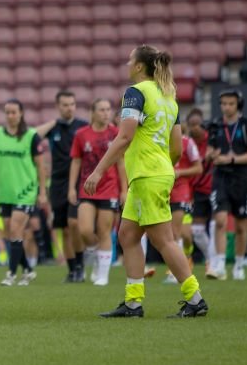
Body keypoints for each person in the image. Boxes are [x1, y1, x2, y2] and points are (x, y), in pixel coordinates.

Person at [84, 45, 207, 318]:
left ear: (139, 66)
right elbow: (176, 147)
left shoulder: (135, 93)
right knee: (127, 236)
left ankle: (194, 298)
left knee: (163, 240)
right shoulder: (168, 97)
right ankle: (133, 302)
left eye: (130, 60)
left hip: (147, 175)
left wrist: (98, 171)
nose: (128, 64)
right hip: (158, 172)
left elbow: (125, 137)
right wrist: (164, 168)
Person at [0, 99, 47, 286]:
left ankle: (11, 274)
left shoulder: (31, 136)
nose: (11, 116)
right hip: (5, 192)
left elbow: (40, 167)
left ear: (21, 114)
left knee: (15, 230)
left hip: (26, 191)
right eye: (7, 112)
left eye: (14, 112)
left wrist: (42, 192)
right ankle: (28, 270)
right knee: (11, 234)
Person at [68, 98, 127, 286]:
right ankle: (92, 252)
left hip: (109, 188)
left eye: (108, 109)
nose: (106, 113)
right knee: (84, 229)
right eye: (101, 109)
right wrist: (71, 187)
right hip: (87, 188)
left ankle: (102, 275)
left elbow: (121, 162)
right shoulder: (81, 134)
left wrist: (124, 190)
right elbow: (76, 161)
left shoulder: (116, 133)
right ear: (92, 112)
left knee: (104, 231)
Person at [35, 91, 89, 282]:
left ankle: (81, 265)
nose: (69, 108)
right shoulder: (54, 128)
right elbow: (33, 136)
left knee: (75, 224)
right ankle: (72, 270)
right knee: (64, 229)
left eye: (72, 104)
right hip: (57, 183)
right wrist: (54, 123)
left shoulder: (83, 127)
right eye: (65, 105)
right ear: (58, 106)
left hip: (78, 182)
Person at [206, 88, 247, 281]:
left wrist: (232, 160)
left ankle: (239, 265)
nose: (226, 107)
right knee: (220, 221)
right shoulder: (215, 126)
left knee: (242, 227)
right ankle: (219, 265)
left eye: (230, 103)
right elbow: (209, 153)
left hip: (243, 180)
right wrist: (212, 156)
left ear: (238, 105)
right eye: (223, 103)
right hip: (221, 178)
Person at [162, 132, 203, 284]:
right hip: (161, 188)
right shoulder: (156, 138)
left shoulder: (187, 142)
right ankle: (183, 261)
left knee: (176, 233)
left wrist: (180, 172)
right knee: (170, 234)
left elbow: (198, 168)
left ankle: (176, 271)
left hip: (180, 190)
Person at [186, 109, 215, 275]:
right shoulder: (188, 144)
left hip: (215, 189)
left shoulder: (212, 141)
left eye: (198, 124)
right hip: (196, 191)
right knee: (197, 231)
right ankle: (209, 259)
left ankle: (216, 263)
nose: (195, 127)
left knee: (217, 226)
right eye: (191, 125)